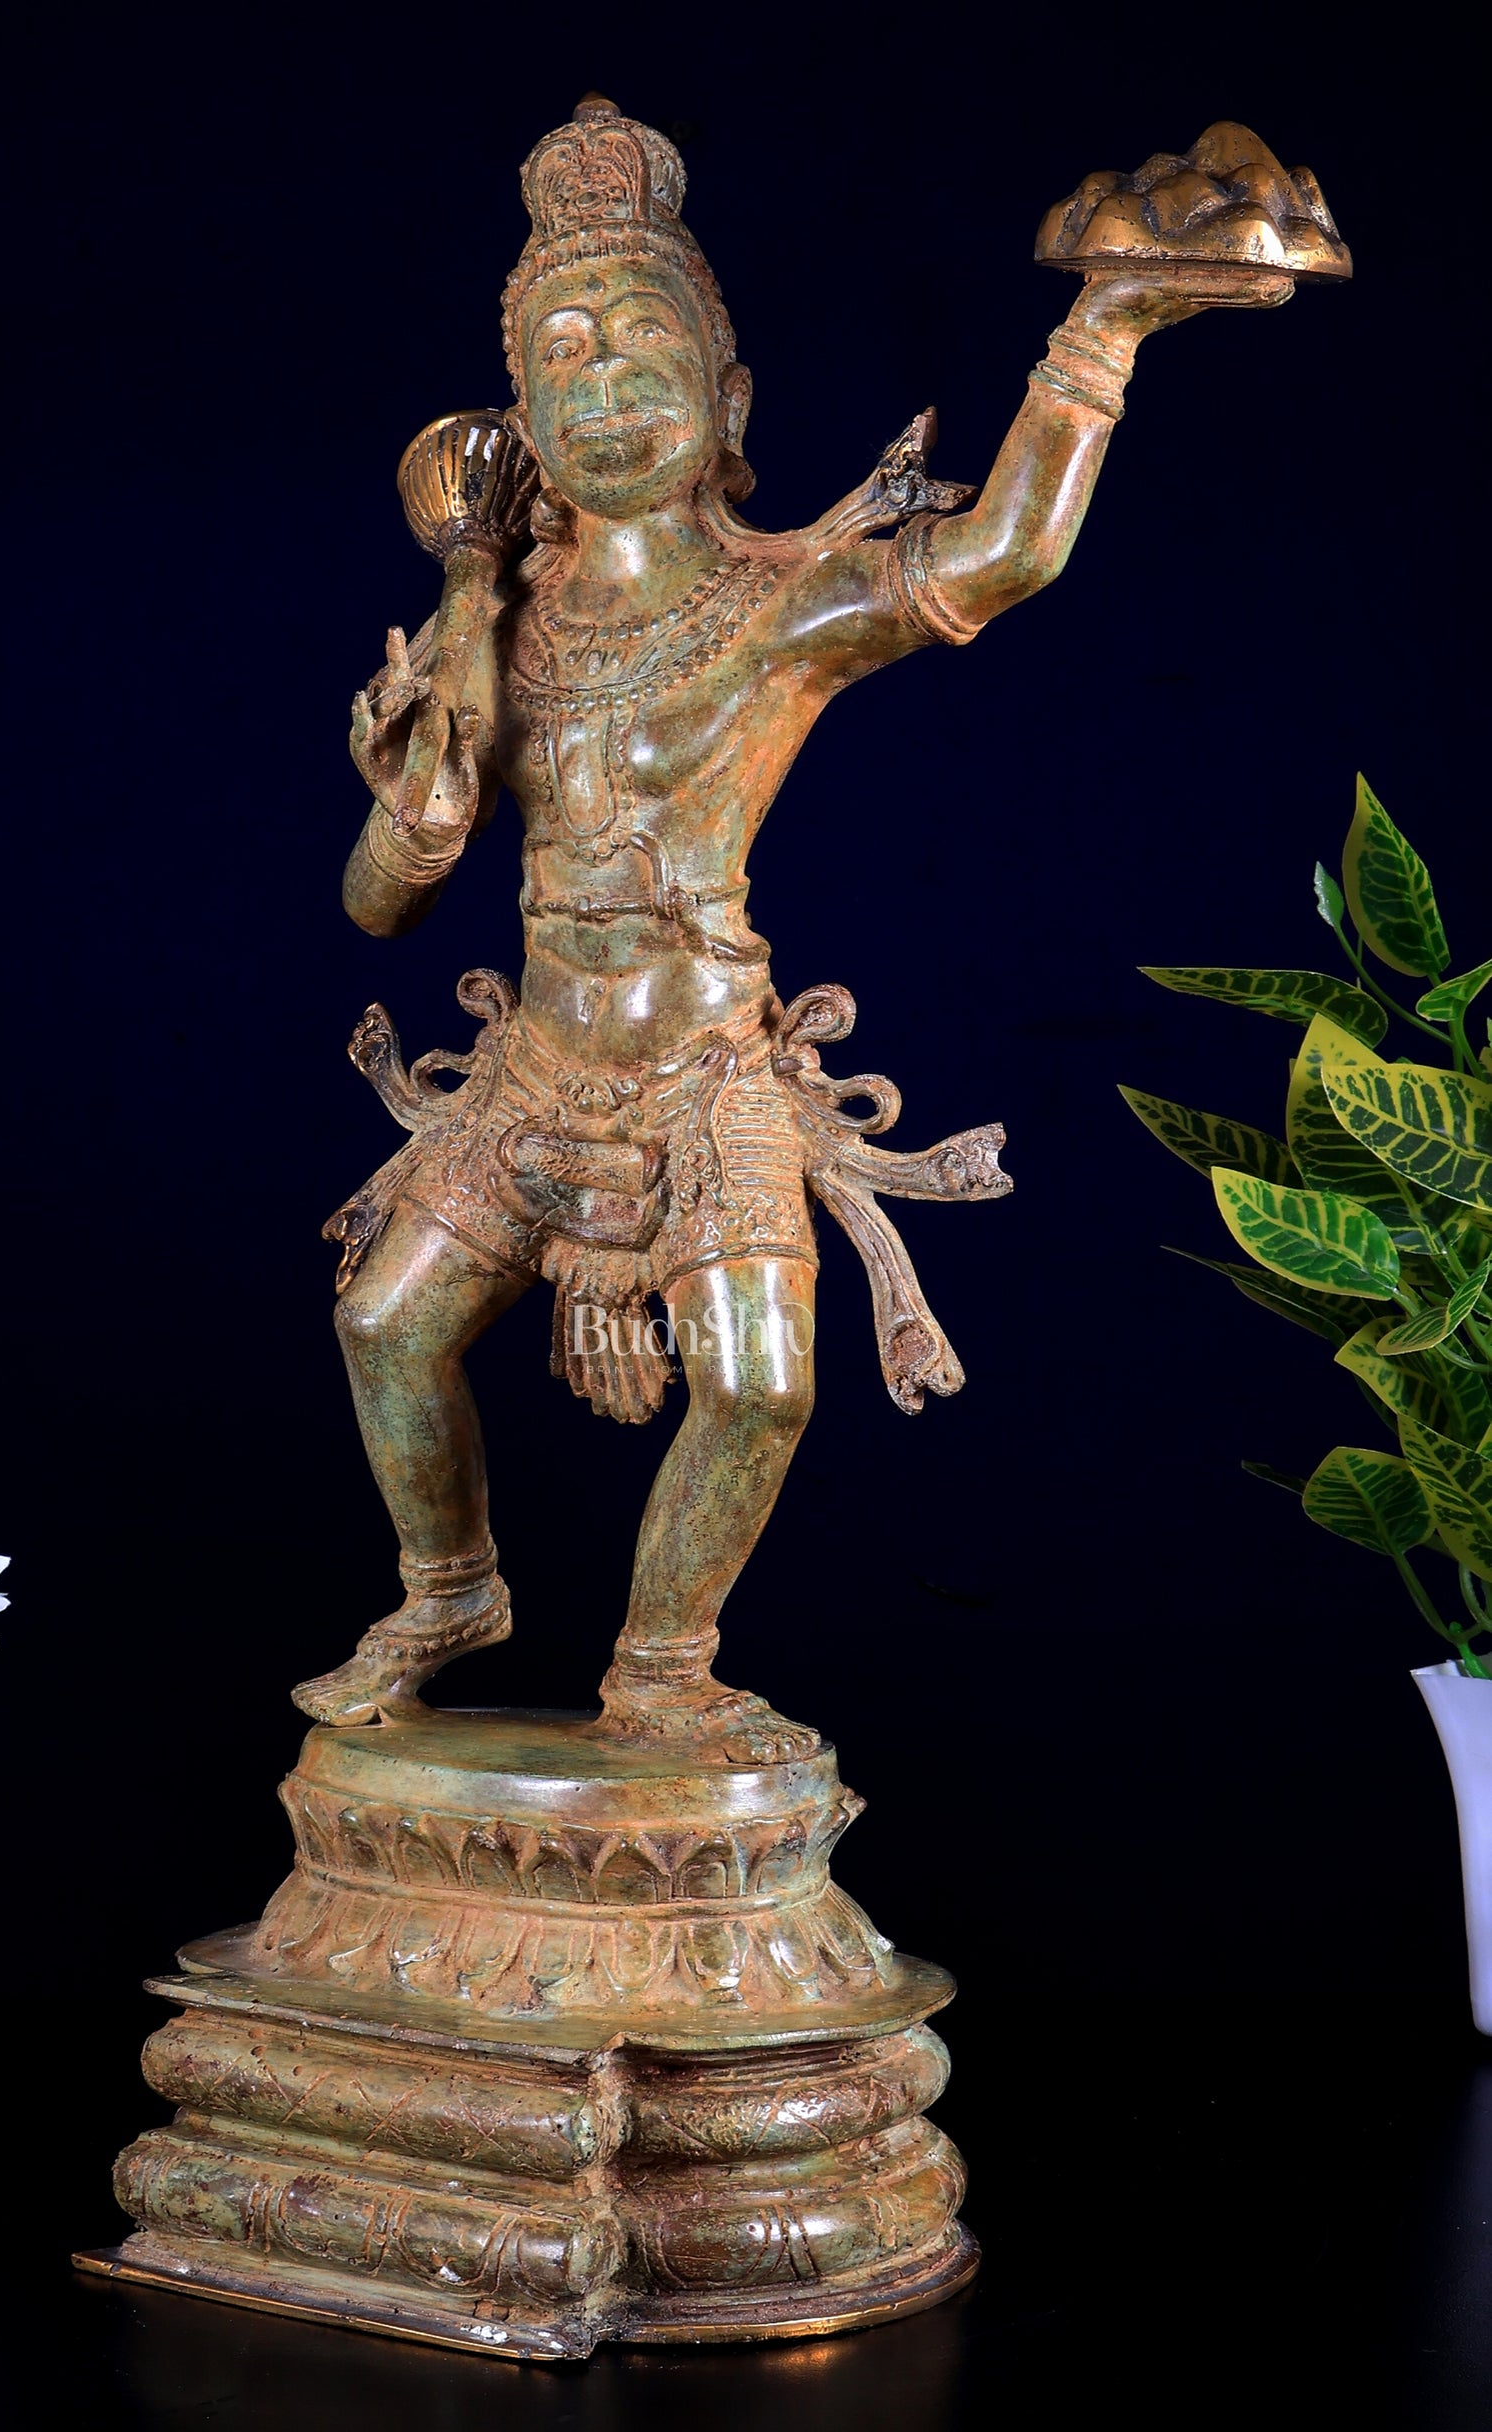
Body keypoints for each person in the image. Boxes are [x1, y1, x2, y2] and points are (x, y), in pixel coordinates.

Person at [300, 97, 1288, 1757]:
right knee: (382, 1326)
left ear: (728, 398)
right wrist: (413, 815)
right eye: (563, 357)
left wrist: (1099, 336)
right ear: (523, 418)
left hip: (703, 1068)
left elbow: (1003, 552)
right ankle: (447, 1586)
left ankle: (662, 1665)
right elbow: (378, 905)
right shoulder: (492, 627)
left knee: (760, 1384)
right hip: (539, 1068)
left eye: (643, 346)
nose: (605, 384)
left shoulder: (776, 601)